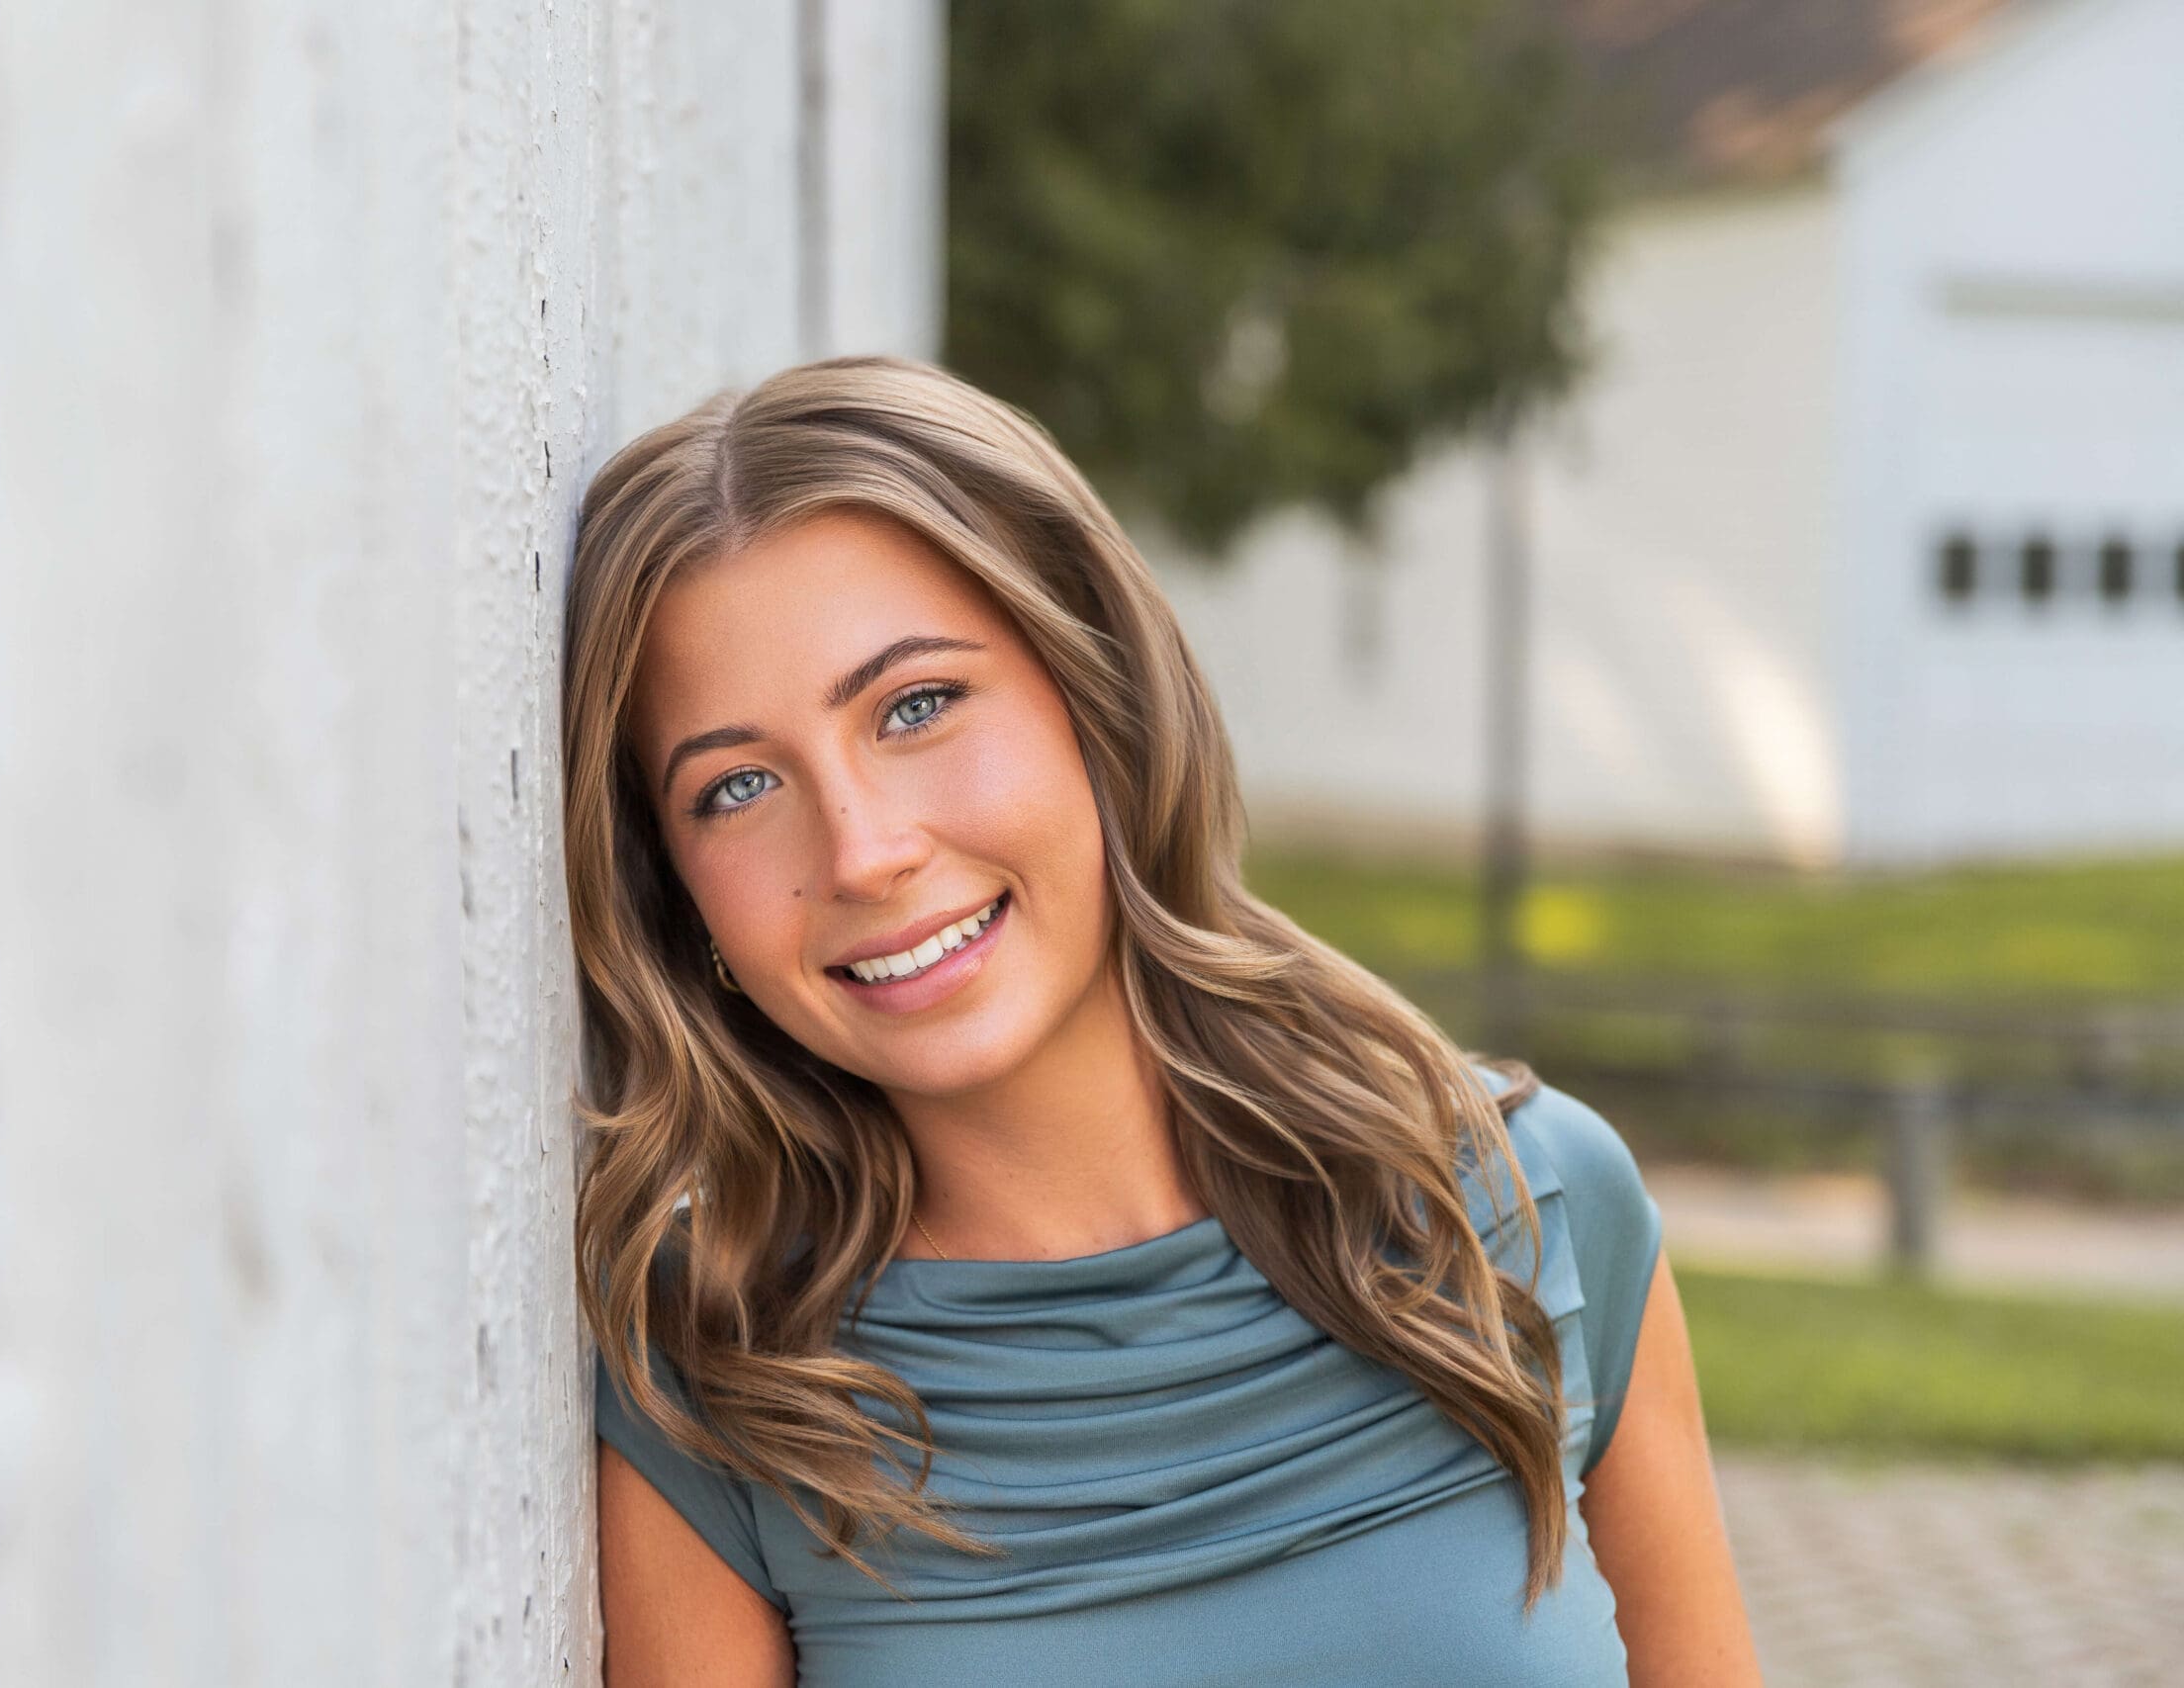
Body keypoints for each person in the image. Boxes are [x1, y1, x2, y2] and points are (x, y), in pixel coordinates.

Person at [561, 354, 1763, 1687]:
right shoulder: (718, 1375)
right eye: (734, 788)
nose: (859, 852)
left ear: (1100, 693)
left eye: (916, 706)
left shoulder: (1533, 1209)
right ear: (677, 893)